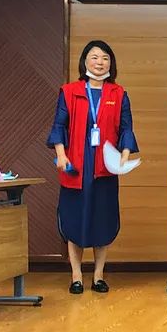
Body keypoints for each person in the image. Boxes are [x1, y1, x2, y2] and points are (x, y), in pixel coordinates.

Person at [48, 40, 139, 294]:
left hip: (104, 168)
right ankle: (76, 276)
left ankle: (98, 275)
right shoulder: (69, 91)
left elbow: (126, 128)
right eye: (95, 57)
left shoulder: (118, 94)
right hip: (76, 166)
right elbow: (59, 126)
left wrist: (124, 154)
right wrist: (61, 155)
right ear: (85, 61)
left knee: (102, 220)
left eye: (105, 58)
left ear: (111, 63)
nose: (100, 62)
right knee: (75, 220)